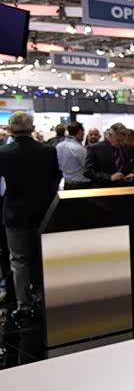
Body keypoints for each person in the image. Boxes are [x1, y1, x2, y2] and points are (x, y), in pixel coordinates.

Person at [0, 111, 60, 321]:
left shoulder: (4, 153)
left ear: (11, 129)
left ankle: (24, 303)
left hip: (15, 213)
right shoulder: (48, 151)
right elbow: (55, 178)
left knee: (19, 260)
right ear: (32, 127)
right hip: (44, 211)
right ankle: (44, 296)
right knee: (43, 257)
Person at [85, 123, 134, 187]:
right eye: (118, 140)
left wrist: (133, 174)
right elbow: (88, 171)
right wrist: (110, 177)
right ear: (110, 136)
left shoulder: (129, 149)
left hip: (127, 188)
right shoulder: (95, 149)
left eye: (123, 140)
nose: (121, 143)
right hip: (105, 188)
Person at [56, 122, 91, 189]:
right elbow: (86, 166)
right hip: (81, 184)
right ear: (80, 131)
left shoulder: (59, 146)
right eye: (83, 132)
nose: (84, 134)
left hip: (67, 183)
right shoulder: (79, 149)